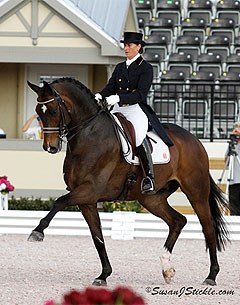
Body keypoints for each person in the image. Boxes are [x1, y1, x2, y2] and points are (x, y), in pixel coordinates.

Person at [95, 32, 173, 194]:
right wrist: (100, 95)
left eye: (130, 45)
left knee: (137, 136)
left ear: (139, 47)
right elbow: (110, 87)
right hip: (117, 107)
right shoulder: (120, 67)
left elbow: (140, 94)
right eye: (125, 45)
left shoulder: (146, 68)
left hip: (135, 108)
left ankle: (149, 178)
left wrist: (118, 97)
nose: (126, 48)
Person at [227, 122, 240, 215]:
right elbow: (227, 161)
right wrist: (232, 144)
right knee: (234, 208)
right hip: (233, 180)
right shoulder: (232, 145)